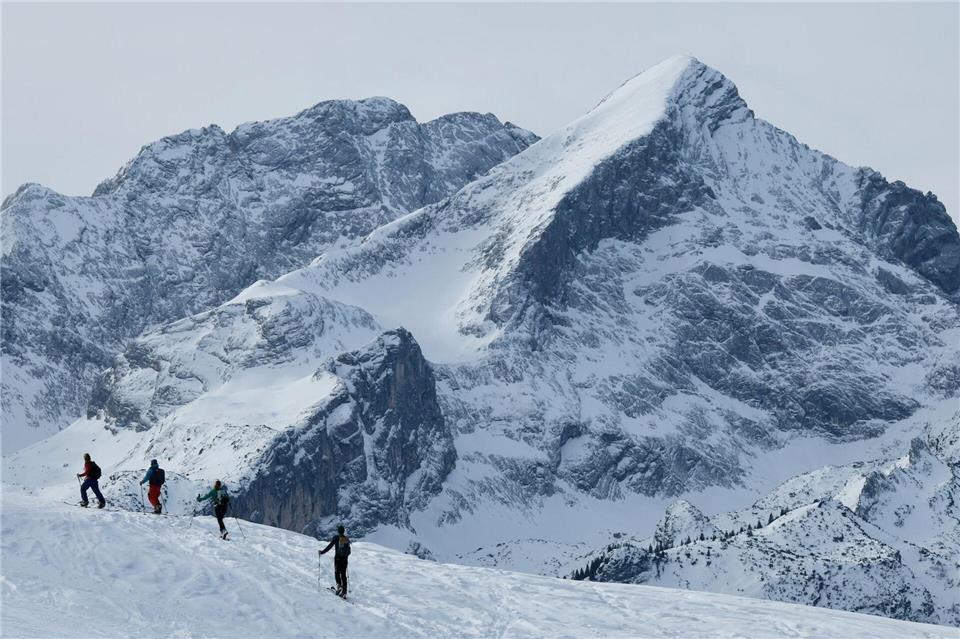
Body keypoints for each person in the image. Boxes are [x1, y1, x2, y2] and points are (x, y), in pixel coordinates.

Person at [319, 525, 351, 598]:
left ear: (338, 531)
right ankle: (344, 592)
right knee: (343, 574)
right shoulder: (346, 538)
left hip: (338, 558)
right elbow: (348, 550)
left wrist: (322, 552)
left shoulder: (336, 538)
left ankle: (339, 585)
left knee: (337, 572)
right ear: (344, 531)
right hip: (345, 559)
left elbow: (330, 546)